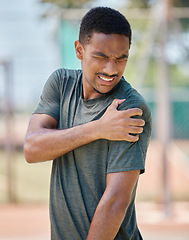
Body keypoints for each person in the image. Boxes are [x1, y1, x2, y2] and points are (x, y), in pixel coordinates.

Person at [24, 6, 152, 240]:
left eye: (120, 58)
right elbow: (32, 149)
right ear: (79, 50)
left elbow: (115, 202)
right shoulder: (61, 84)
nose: (111, 69)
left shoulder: (129, 109)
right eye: (101, 56)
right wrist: (97, 129)